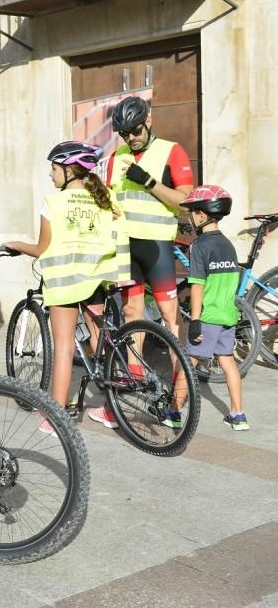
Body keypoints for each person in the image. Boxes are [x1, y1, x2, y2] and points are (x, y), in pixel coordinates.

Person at [2, 142, 129, 433]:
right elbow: (119, 237)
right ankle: (111, 407)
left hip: (65, 283)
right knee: (102, 342)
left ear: (69, 170)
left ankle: (54, 417)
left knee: (63, 346)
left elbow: (42, 248)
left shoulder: (54, 202)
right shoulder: (106, 197)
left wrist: (17, 246)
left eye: (54, 168)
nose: (50, 174)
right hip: (98, 279)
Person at [95, 95, 193, 427]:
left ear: (148, 120)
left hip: (156, 248)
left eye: (135, 130)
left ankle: (178, 401)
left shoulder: (171, 150)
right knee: (131, 314)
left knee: (170, 319)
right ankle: (131, 387)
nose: (131, 138)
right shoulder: (116, 157)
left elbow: (186, 202)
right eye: (124, 133)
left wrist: (150, 182)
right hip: (126, 249)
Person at [180, 185, 247, 430]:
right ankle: (238, 414)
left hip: (207, 317)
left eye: (192, 212)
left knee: (188, 363)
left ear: (201, 215)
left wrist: (195, 320)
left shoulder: (199, 246)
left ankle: (173, 411)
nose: (190, 216)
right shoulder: (227, 245)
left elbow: (197, 286)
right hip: (228, 314)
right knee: (228, 361)